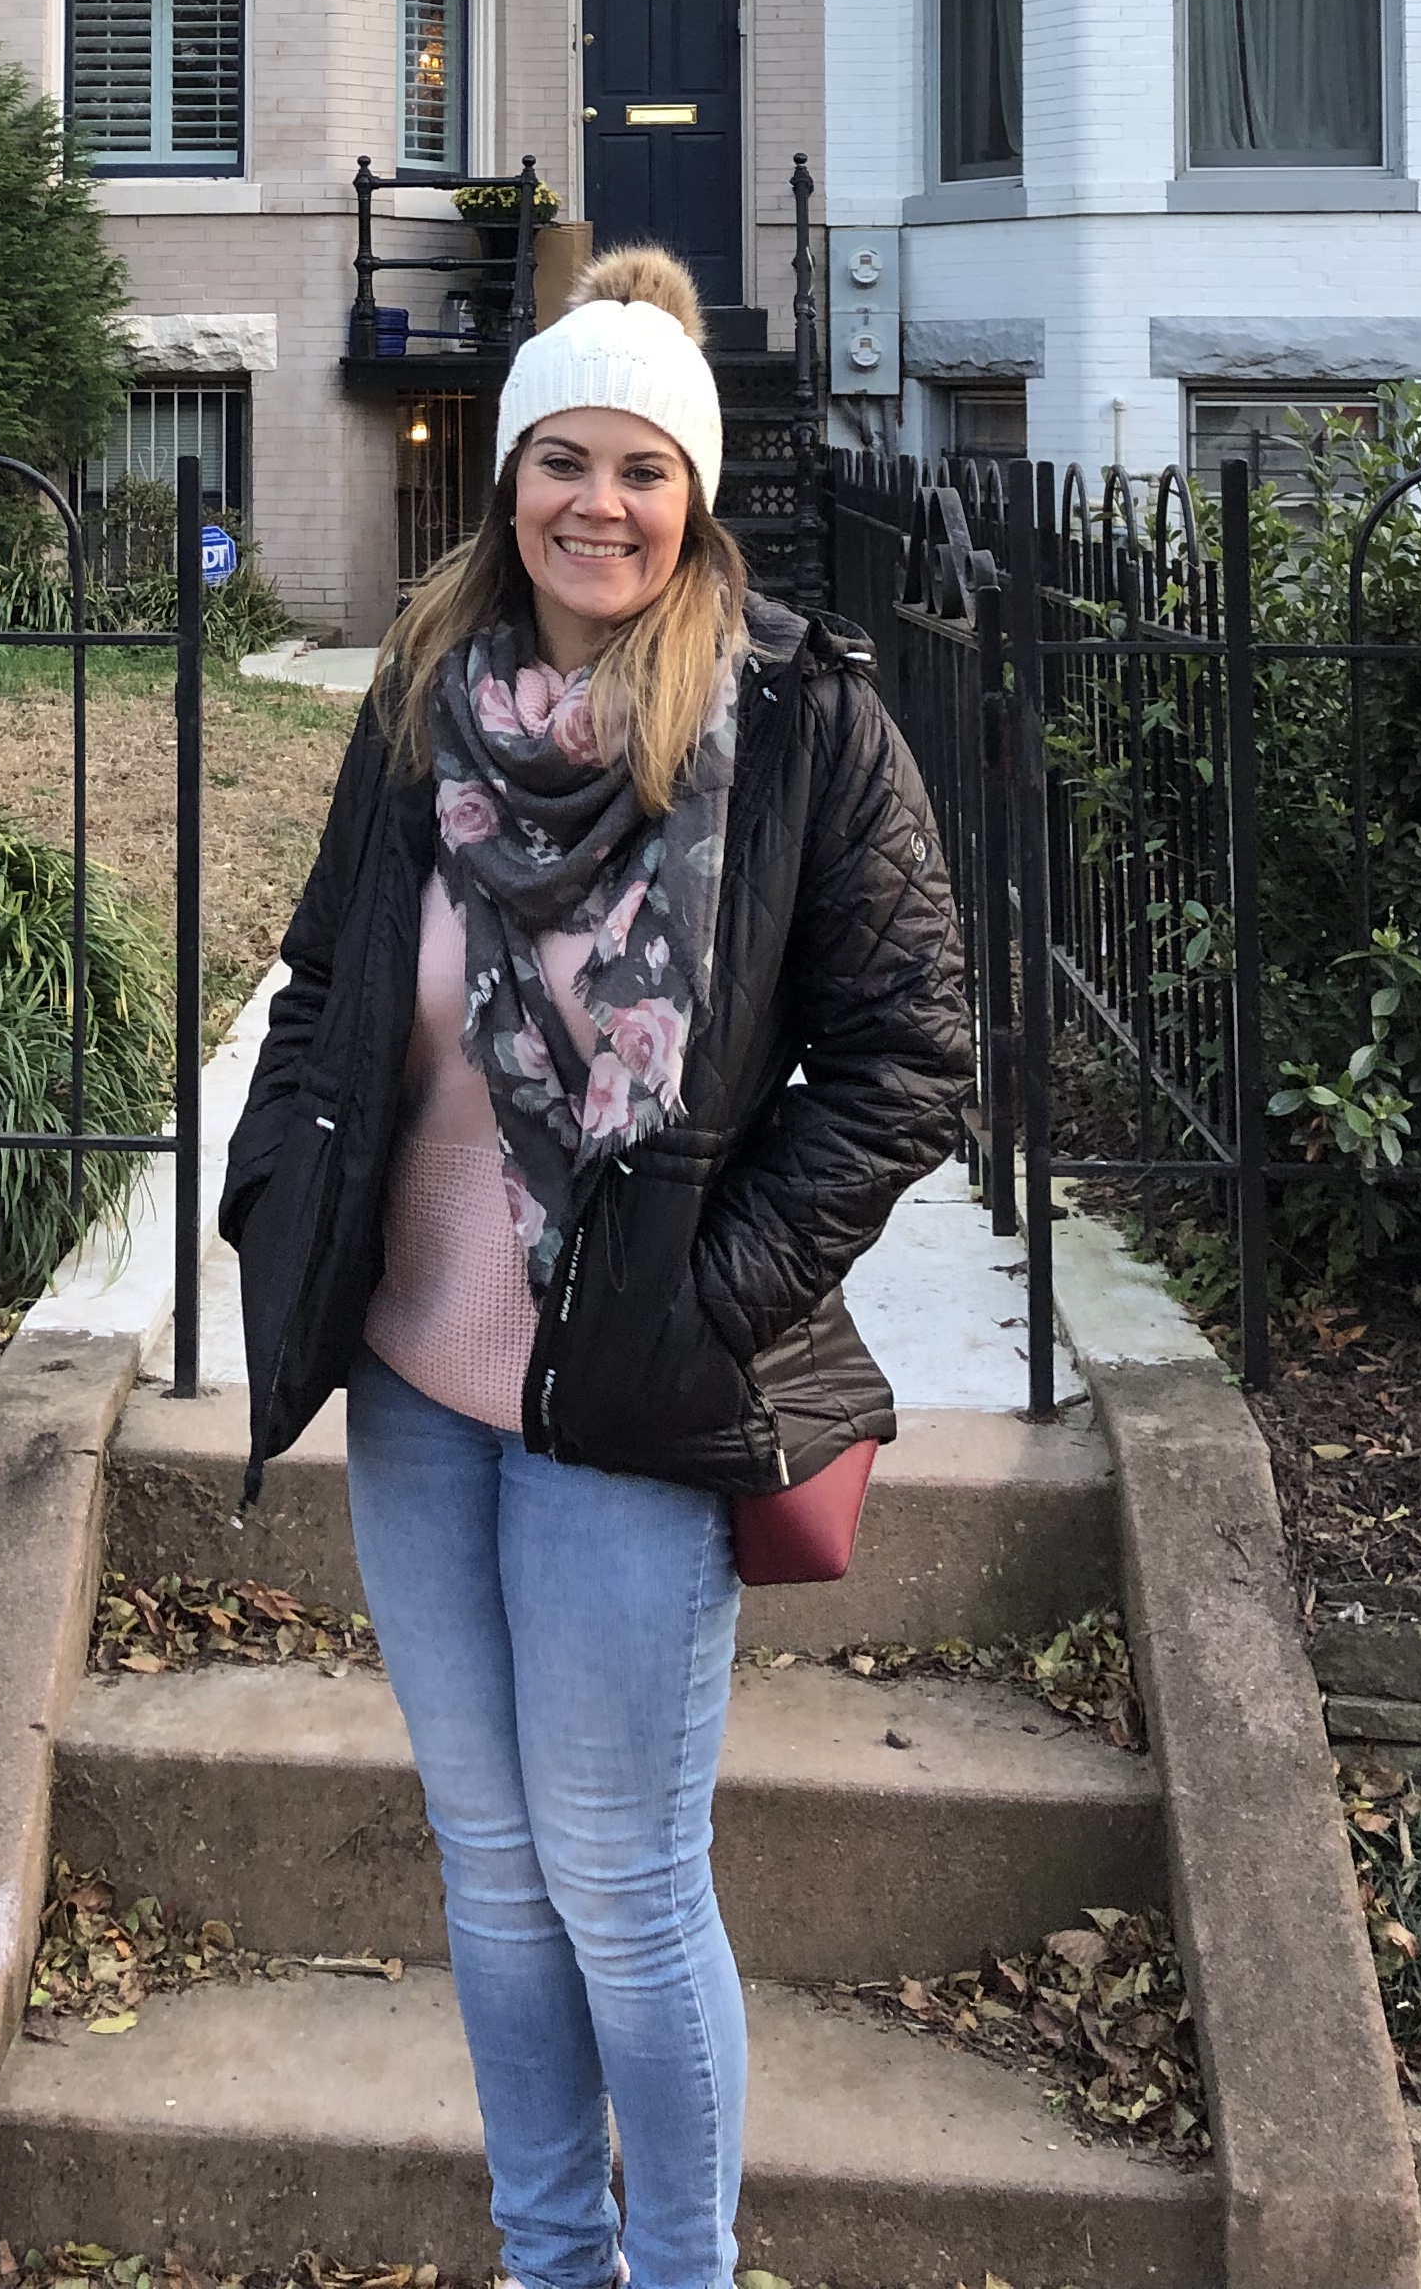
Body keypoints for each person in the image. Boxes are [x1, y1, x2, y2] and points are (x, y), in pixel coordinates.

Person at [221, 248, 972, 2289]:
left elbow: (910, 1059)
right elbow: (325, 979)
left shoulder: (801, 720)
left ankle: (681, 2274)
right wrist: (282, 1197)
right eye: (565, 459)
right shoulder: (424, 704)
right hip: (416, 1380)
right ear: (511, 477)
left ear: (693, 493)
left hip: (635, 1401)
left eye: (644, 469)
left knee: (626, 1889)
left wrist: (713, 1294)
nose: (601, 505)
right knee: (489, 1872)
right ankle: (550, 2262)